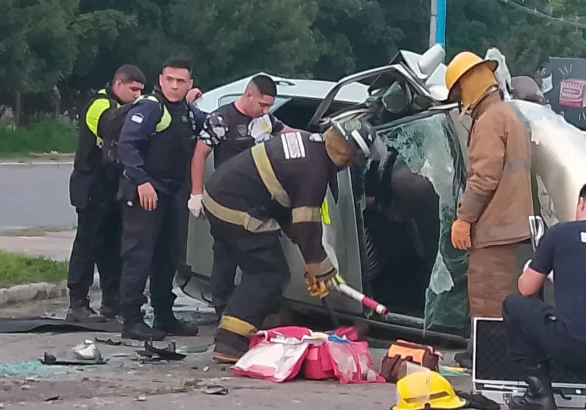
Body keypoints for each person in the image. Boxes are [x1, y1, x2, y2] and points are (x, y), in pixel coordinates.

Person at [201, 118, 385, 363]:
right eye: (353, 159)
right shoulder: (315, 171)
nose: (351, 165)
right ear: (347, 154)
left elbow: (289, 210)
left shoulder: (310, 144)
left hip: (218, 196)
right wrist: (319, 265)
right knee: (268, 273)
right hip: (237, 207)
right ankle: (230, 342)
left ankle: (240, 320)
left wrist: (312, 262)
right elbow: (306, 224)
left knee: (242, 261)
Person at [503, 180, 586, 410]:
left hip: (577, 344)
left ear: (581, 203)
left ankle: (538, 394)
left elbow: (526, 289)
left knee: (514, 305)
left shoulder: (562, 232)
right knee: (585, 330)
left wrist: (531, 269)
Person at [444, 51, 534, 364]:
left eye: (458, 91)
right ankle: (483, 353)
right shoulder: (508, 115)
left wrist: (464, 219)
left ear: (468, 84)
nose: (459, 99)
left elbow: (483, 178)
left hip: (496, 229)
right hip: (512, 226)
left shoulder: (489, 121)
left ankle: (488, 360)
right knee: (500, 296)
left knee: (488, 296)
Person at [188, 74, 295, 319]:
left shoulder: (265, 119)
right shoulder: (221, 119)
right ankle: (222, 309)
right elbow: (200, 154)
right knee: (225, 256)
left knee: (260, 257)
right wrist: (196, 193)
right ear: (248, 95)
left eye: (269, 106)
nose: (265, 110)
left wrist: (315, 139)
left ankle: (259, 308)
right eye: (262, 104)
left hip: (259, 200)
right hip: (227, 200)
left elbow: (287, 132)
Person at [116, 57, 207, 341]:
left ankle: (164, 315)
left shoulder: (187, 111)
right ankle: (132, 320)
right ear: (160, 80)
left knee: (167, 257)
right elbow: (127, 145)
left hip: (171, 194)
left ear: (190, 84)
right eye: (170, 80)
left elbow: (213, 127)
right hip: (145, 192)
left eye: (181, 81)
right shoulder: (150, 107)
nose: (174, 86)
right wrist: (141, 181)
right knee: (138, 257)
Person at [66, 65, 146, 323]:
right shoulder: (99, 104)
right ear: (118, 84)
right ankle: (77, 302)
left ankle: (113, 300)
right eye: (133, 89)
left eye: (140, 91)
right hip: (91, 185)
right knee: (86, 245)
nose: (136, 95)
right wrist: (138, 108)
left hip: (112, 186)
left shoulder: (124, 105)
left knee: (112, 246)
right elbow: (107, 127)